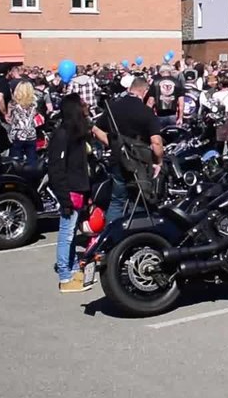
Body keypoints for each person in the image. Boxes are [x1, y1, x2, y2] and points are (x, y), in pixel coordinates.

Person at [98, 77, 164, 225]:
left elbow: (96, 129)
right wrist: (158, 161)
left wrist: (112, 143)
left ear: (130, 89)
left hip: (118, 159)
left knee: (117, 200)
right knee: (140, 200)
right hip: (140, 162)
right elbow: (156, 142)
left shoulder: (113, 107)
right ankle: (135, 233)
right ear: (145, 91)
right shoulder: (147, 113)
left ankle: (112, 235)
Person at [46, 93, 94, 293]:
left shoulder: (77, 133)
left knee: (73, 232)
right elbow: (56, 169)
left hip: (79, 188)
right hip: (69, 191)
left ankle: (73, 267)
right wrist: (64, 199)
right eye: (81, 104)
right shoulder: (62, 134)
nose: (85, 106)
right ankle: (65, 276)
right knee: (66, 233)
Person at [7, 81, 39, 167]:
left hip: (17, 135)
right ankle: (32, 176)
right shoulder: (34, 104)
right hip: (31, 134)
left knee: (16, 162)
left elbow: (9, 118)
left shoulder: (12, 104)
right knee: (32, 160)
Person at [147, 65, 182, 130]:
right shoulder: (177, 82)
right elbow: (181, 103)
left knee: (160, 136)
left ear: (160, 72)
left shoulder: (155, 82)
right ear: (170, 72)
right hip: (173, 115)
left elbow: (150, 102)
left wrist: (148, 117)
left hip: (159, 115)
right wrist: (180, 117)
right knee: (173, 136)